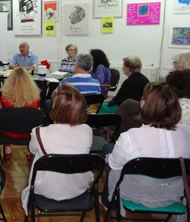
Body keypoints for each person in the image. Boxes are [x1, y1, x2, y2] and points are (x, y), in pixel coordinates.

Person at [101, 83, 190, 215]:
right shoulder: (185, 132)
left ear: (143, 104)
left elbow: (114, 166)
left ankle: (109, 203)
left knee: (109, 150)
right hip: (172, 191)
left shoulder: (129, 137)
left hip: (137, 191)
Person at [21, 84, 93, 215]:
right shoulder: (87, 130)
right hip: (78, 187)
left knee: (38, 155)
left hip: (46, 189)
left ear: (55, 108)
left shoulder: (39, 132)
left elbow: (32, 150)